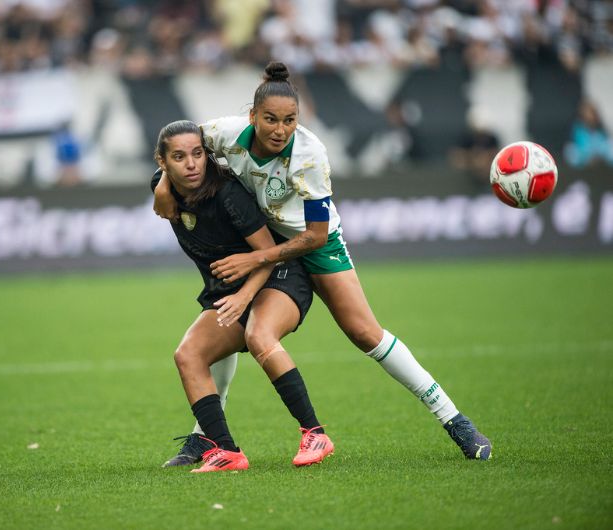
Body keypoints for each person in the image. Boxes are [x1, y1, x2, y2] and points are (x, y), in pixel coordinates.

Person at [155, 62, 492, 460]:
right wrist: (161, 188)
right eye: (270, 120)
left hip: (316, 244)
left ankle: (454, 420)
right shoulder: (221, 134)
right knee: (227, 310)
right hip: (260, 238)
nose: (280, 130)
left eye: (290, 120)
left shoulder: (310, 154)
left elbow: (313, 235)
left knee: (365, 333)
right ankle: (207, 436)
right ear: (252, 117)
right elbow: (179, 149)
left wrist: (256, 259)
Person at [153, 119, 334, 472]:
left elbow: (266, 253)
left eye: (197, 154)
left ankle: (315, 433)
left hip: (278, 273)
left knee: (258, 335)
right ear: (162, 163)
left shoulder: (227, 194)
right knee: (188, 355)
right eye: (178, 157)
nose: (191, 164)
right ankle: (226, 452)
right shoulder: (163, 187)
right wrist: (161, 186)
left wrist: (243, 299)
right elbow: (161, 184)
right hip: (231, 289)